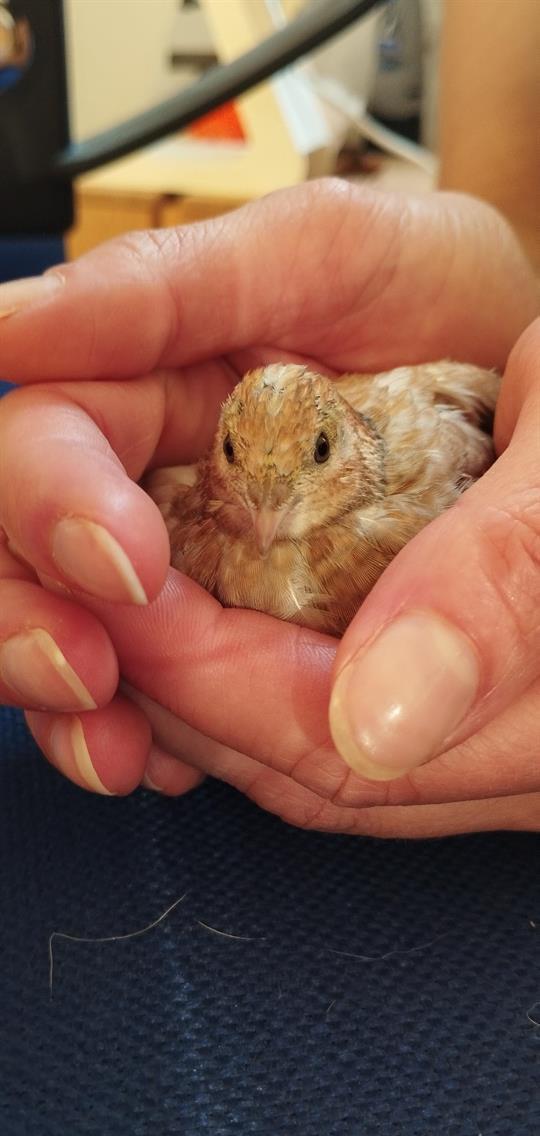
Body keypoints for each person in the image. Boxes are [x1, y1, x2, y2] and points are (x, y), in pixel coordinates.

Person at [0, 180, 539, 837]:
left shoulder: (424, 486)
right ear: (219, 446)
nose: (268, 508)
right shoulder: (190, 532)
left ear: (340, 440)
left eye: (315, 454)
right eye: (234, 457)